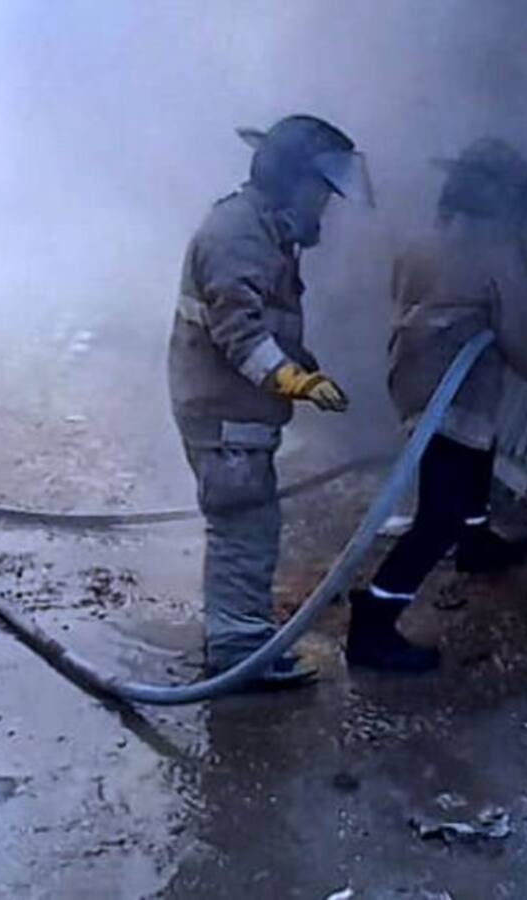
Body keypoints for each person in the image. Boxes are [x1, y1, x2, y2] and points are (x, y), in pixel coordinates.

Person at [168, 115, 370, 688]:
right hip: (224, 410)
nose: (324, 208)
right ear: (290, 181)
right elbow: (242, 336)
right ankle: (236, 657)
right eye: (320, 194)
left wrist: (298, 361)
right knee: (242, 526)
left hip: (231, 406)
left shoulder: (262, 228)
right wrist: (295, 381)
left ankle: (243, 642)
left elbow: (265, 315)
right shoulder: (238, 236)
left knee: (252, 522)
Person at [344, 138, 527, 673]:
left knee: (477, 456)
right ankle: (372, 625)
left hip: (416, 384)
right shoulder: (497, 254)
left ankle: (476, 541)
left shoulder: (423, 240)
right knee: (438, 517)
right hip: (448, 399)